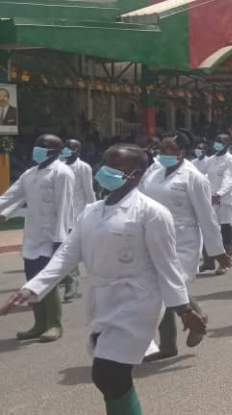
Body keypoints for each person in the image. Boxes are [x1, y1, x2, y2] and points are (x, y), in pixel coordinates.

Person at [0, 144, 207, 415]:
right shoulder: (91, 211)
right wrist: (31, 288)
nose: (104, 170)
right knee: (109, 378)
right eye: (104, 163)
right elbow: (66, 255)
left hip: (137, 302)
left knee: (108, 373)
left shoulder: (152, 213)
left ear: (135, 174)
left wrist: (184, 309)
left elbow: (167, 267)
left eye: (114, 167)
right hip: (101, 300)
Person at [139, 132, 232, 361]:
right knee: (160, 287)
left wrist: (217, 250)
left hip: (183, 240)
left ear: (182, 152)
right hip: (153, 237)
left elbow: (206, 216)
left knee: (167, 286)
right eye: (162, 149)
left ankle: (194, 317)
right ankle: (170, 343)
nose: (164, 154)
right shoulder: (154, 172)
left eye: (170, 150)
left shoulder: (194, 177)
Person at [0, 134, 74, 342]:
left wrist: (60, 239)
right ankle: (39, 323)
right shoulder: (30, 173)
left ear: (55, 151)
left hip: (52, 237)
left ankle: (54, 324)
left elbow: (64, 207)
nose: (37, 149)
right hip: (33, 235)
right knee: (31, 279)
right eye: (37, 145)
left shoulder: (62, 173)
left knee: (46, 281)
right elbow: (10, 196)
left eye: (43, 146)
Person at [59, 138, 96, 303]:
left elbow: (89, 192)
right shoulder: (57, 165)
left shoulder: (83, 168)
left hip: (76, 214)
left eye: (73, 147)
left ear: (78, 150)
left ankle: (71, 283)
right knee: (58, 248)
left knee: (67, 248)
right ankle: (68, 277)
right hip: (57, 215)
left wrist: (94, 213)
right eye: (66, 146)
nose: (68, 149)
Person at [200, 133, 232, 274]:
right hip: (211, 199)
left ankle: (224, 263)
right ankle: (208, 261)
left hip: (225, 201)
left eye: (221, 141)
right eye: (216, 140)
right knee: (210, 230)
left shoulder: (231, 160)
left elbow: (230, 179)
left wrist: (219, 194)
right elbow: (204, 176)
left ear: (228, 144)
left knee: (224, 231)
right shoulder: (211, 159)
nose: (217, 143)